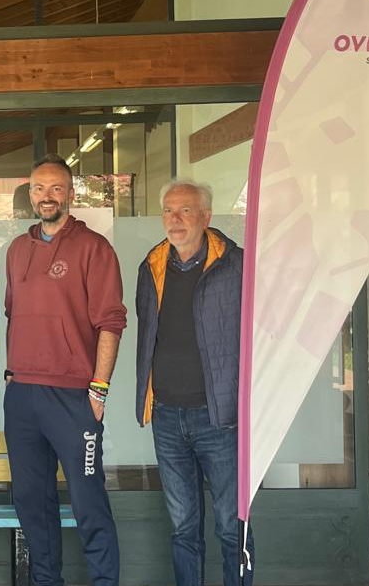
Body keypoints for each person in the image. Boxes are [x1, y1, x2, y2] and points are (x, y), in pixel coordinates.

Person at [3, 154, 127, 586]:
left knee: (88, 501)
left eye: (56, 188)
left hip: (74, 396)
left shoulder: (94, 248)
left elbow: (111, 322)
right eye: (39, 188)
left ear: (71, 194)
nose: (47, 196)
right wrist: (12, 375)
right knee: (32, 504)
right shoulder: (17, 250)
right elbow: (14, 315)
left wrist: (99, 389)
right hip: (23, 396)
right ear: (30, 194)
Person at [135, 179, 252, 586]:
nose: (175, 219)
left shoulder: (236, 266)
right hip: (167, 416)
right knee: (183, 528)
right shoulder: (151, 266)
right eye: (169, 211)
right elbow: (148, 335)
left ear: (206, 216)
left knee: (231, 526)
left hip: (219, 418)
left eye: (185, 211)